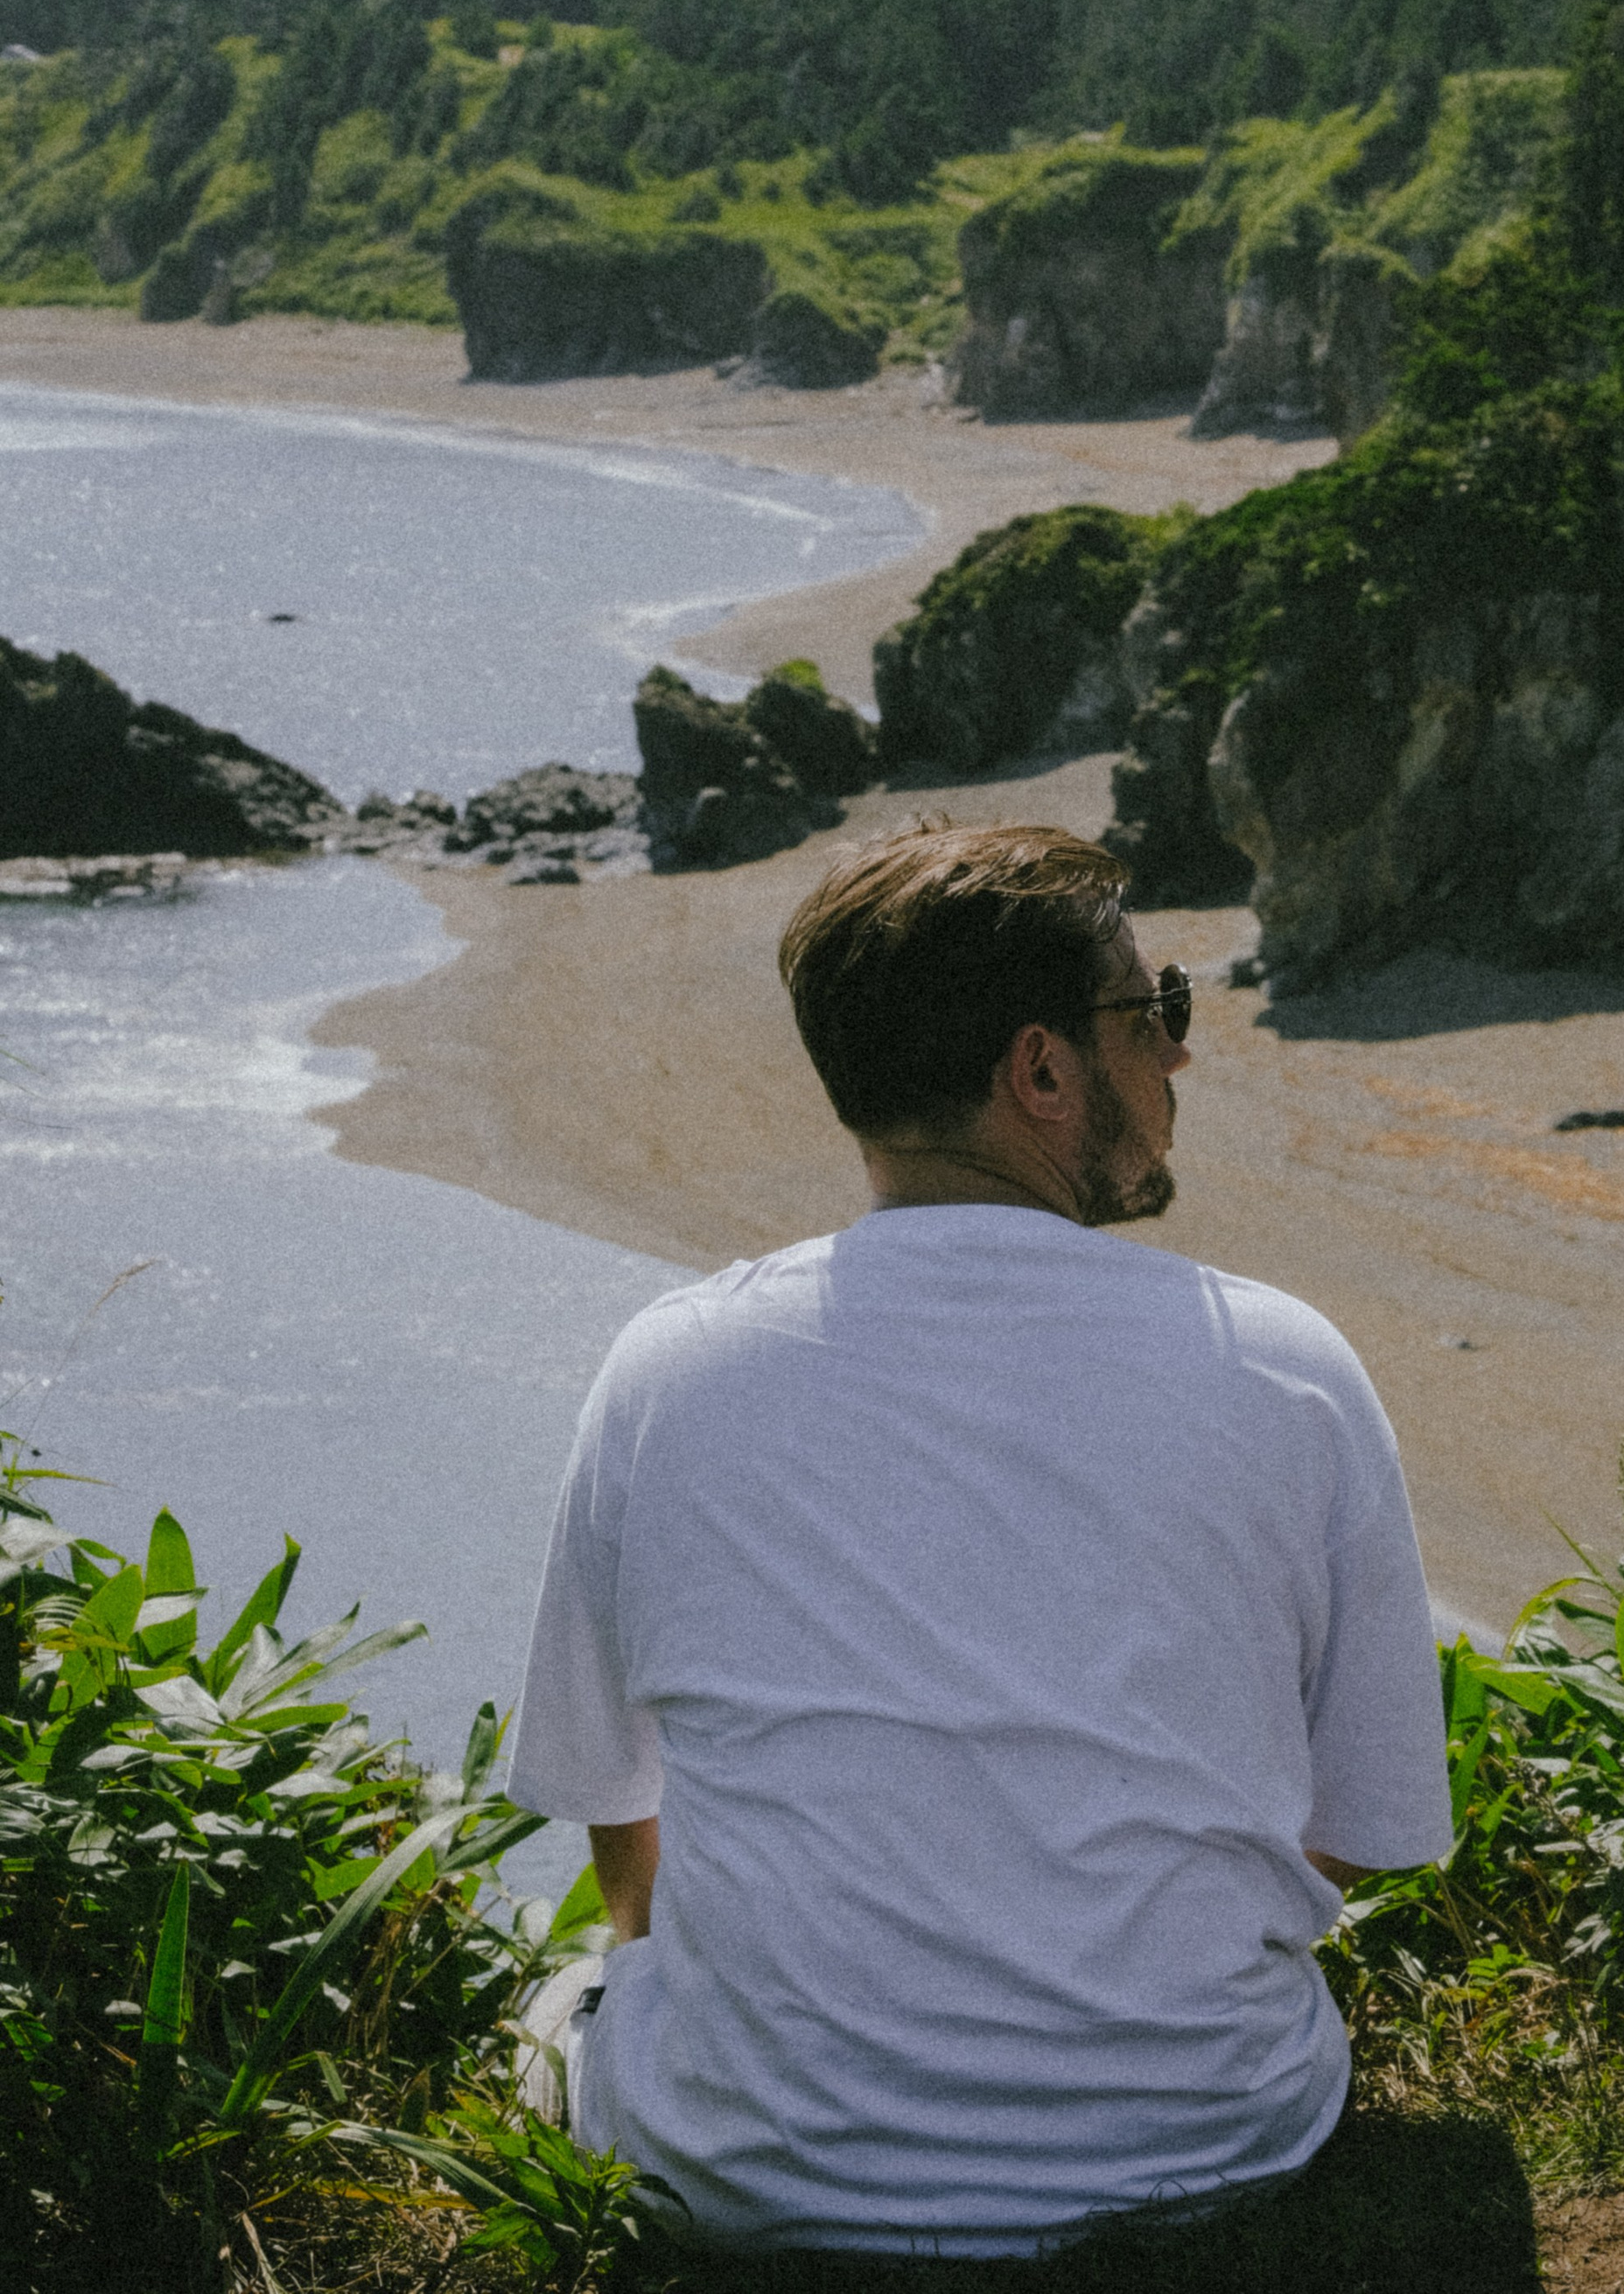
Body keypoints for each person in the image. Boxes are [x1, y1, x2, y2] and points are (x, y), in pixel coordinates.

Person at [507, 822, 1452, 2258]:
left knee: (557, 2008)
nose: (1180, 1058)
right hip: (1208, 2139)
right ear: (1044, 1071)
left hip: (756, 2171)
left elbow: (610, 1813)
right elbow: (1366, 1838)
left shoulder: (668, 1367)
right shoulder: (1285, 1367)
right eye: (1158, 1013)